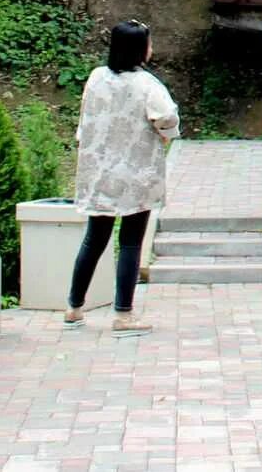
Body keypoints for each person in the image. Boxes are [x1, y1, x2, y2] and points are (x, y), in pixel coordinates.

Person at [67, 20, 180, 335]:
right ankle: (123, 313)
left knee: (94, 238)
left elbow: (85, 117)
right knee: (130, 241)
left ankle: (74, 306)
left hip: (99, 170)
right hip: (136, 172)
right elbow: (168, 119)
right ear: (140, 49)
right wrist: (167, 135)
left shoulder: (96, 77)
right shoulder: (147, 84)